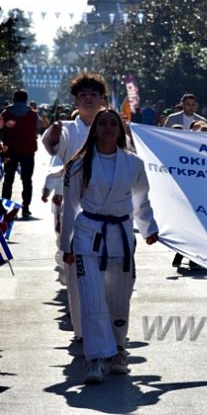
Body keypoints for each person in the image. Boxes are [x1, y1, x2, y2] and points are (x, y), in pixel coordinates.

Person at [60, 108, 159, 384]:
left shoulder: (133, 164)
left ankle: (119, 351)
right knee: (92, 299)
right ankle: (96, 358)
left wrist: (149, 228)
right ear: (95, 130)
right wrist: (65, 244)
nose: (106, 128)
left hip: (121, 237)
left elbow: (142, 201)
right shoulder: (79, 164)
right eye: (101, 123)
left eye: (112, 123)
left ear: (120, 129)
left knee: (118, 299)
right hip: (86, 237)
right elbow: (71, 206)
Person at [42, 72, 110, 343]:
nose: (89, 99)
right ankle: (81, 322)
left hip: (106, 204)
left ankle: (103, 312)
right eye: (83, 95)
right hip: (73, 202)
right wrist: (55, 192)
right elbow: (54, 151)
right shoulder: (67, 128)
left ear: (103, 100)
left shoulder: (112, 126)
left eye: (94, 95)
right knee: (71, 256)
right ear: (76, 102)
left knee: (105, 261)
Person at [1, 90, 38, 218]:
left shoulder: (6, 113)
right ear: (26, 100)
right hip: (28, 151)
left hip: (9, 151)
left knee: (8, 179)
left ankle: (5, 207)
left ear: (14, 99)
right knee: (27, 180)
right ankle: (26, 208)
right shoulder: (33, 115)